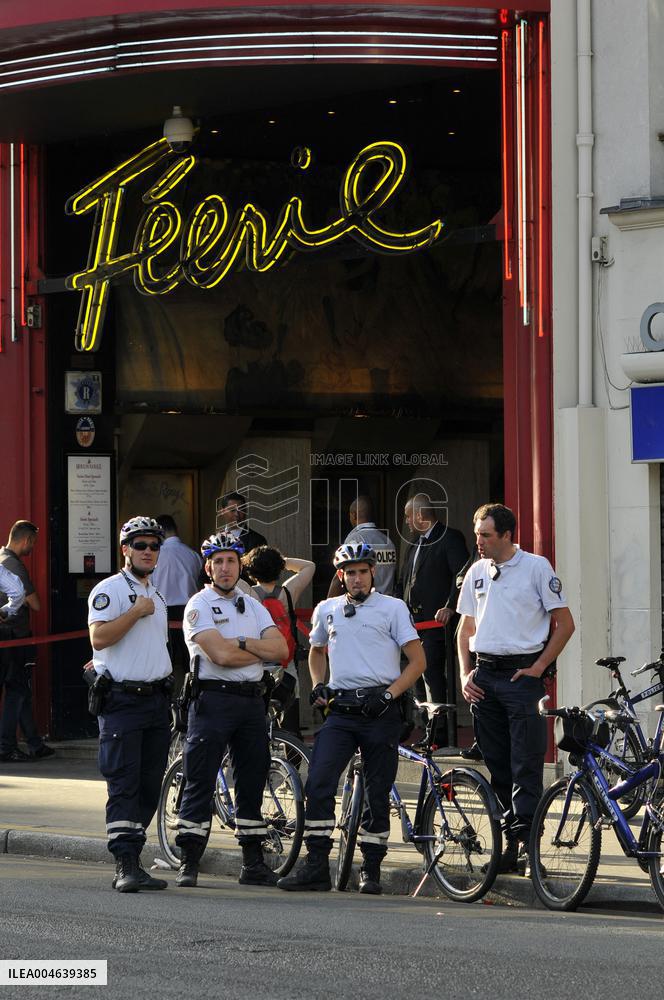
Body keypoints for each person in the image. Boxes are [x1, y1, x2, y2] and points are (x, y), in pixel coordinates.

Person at [277, 542, 426, 895]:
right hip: (340, 712)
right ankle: (315, 866)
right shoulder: (327, 609)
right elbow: (315, 652)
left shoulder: (393, 608)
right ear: (341, 576)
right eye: (350, 573)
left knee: (378, 792)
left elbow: (418, 662)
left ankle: (370, 869)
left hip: (380, 710)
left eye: (362, 571)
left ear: (373, 572)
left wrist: (389, 695)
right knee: (319, 781)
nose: (356, 579)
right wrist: (318, 684)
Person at [457, 502, 575, 873]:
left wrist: (539, 667)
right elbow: (465, 630)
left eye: (485, 535)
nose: (479, 541)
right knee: (498, 764)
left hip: (520, 677)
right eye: (477, 533)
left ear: (507, 535)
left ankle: (529, 847)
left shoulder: (536, 568)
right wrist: (465, 675)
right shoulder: (477, 571)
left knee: (526, 764)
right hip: (485, 676)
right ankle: (508, 843)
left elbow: (565, 623)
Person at [174, 532, 289, 889]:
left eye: (231, 561)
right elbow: (219, 657)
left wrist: (240, 643)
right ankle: (189, 860)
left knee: (252, 781)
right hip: (213, 701)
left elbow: (281, 649)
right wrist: (258, 650)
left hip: (252, 702)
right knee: (200, 780)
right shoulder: (199, 605)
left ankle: (252, 863)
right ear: (208, 567)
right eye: (218, 562)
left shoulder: (252, 603)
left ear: (240, 565)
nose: (225, 568)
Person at [87, 515, 172, 893]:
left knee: (149, 785)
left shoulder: (158, 593)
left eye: (154, 545)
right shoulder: (109, 590)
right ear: (125, 549)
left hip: (155, 701)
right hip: (122, 701)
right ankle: (124, 863)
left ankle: (135, 859)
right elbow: (100, 637)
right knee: (124, 784)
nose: (148, 551)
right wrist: (135, 612)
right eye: (140, 545)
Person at [395, 494, 469, 707]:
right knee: (416, 675)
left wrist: (450, 607)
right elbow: (403, 581)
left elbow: (463, 576)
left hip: (437, 625)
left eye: (408, 516)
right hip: (412, 626)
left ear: (420, 515)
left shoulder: (449, 538)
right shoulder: (413, 546)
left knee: (432, 675)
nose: (407, 521)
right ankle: (429, 731)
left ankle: (440, 733)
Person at [242, 545, 315, 736]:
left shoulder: (247, 594)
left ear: (251, 570)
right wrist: (282, 561)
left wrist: (248, 562)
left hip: (255, 665)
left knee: (254, 724)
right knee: (290, 722)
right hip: (285, 665)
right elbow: (310, 567)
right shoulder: (287, 593)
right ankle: (293, 759)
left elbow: (228, 575)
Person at [0, 521, 54, 763]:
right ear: (26, 540)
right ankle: (6, 746)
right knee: (16, 691)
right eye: (33, 542)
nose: (33, 546)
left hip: (7, 637)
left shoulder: (2, 558)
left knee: (19, 690)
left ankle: (34, 742)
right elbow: (35, 604)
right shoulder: (15, 567)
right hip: (13, 638)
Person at [151, 513, 203, 695]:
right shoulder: (193, 555)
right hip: (191, 613)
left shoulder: (154, 557)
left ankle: (170, 705)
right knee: (191, 662)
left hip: (161, 613)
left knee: (167, 663)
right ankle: (189, 701)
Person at [327, 495, 396, 597]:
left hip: (366, 604)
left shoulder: (355, 539)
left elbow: (339, 578)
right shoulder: (388, 541)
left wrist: (329, 605)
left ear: (354, 515)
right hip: (388, 604)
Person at [216, 491, 267, 556]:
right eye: (232, 510)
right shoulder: (215, 540)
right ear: (222, 512)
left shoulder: (258, 541)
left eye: (241, 510)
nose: (237, 514)